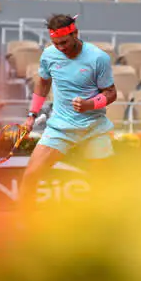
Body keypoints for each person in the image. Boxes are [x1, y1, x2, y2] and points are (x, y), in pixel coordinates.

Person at [17, 14, 118, 216]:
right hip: (60, 127)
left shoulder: (98, 58)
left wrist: (90, 104)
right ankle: (25, 224)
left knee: (104, 182)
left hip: (94, 127)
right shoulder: (49, 55)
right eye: (56, 43)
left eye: (64, 42)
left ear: (75, 33)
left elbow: (111, 93)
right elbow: (43, 83)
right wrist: (32, 115)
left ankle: (108, 224)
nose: (61, 47)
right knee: (31, 176)